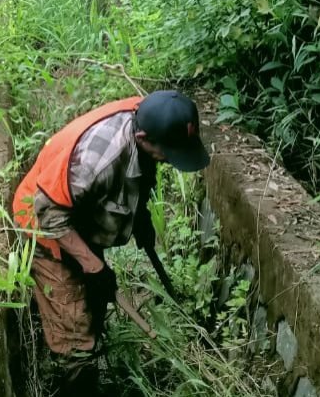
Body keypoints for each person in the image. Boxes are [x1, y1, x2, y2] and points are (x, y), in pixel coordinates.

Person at [12, 90, 211, 395]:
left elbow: (143, 170)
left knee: (93, 300)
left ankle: (90, 341)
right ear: (143, 137)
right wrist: (94, 266)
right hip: (43, 225)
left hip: (79, 214)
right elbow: (49, 214)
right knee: (76, 334)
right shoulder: (96, 161)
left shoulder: (148, 113)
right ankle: (75, 380)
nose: (170, 160)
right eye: (168, 152)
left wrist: (140, 216)